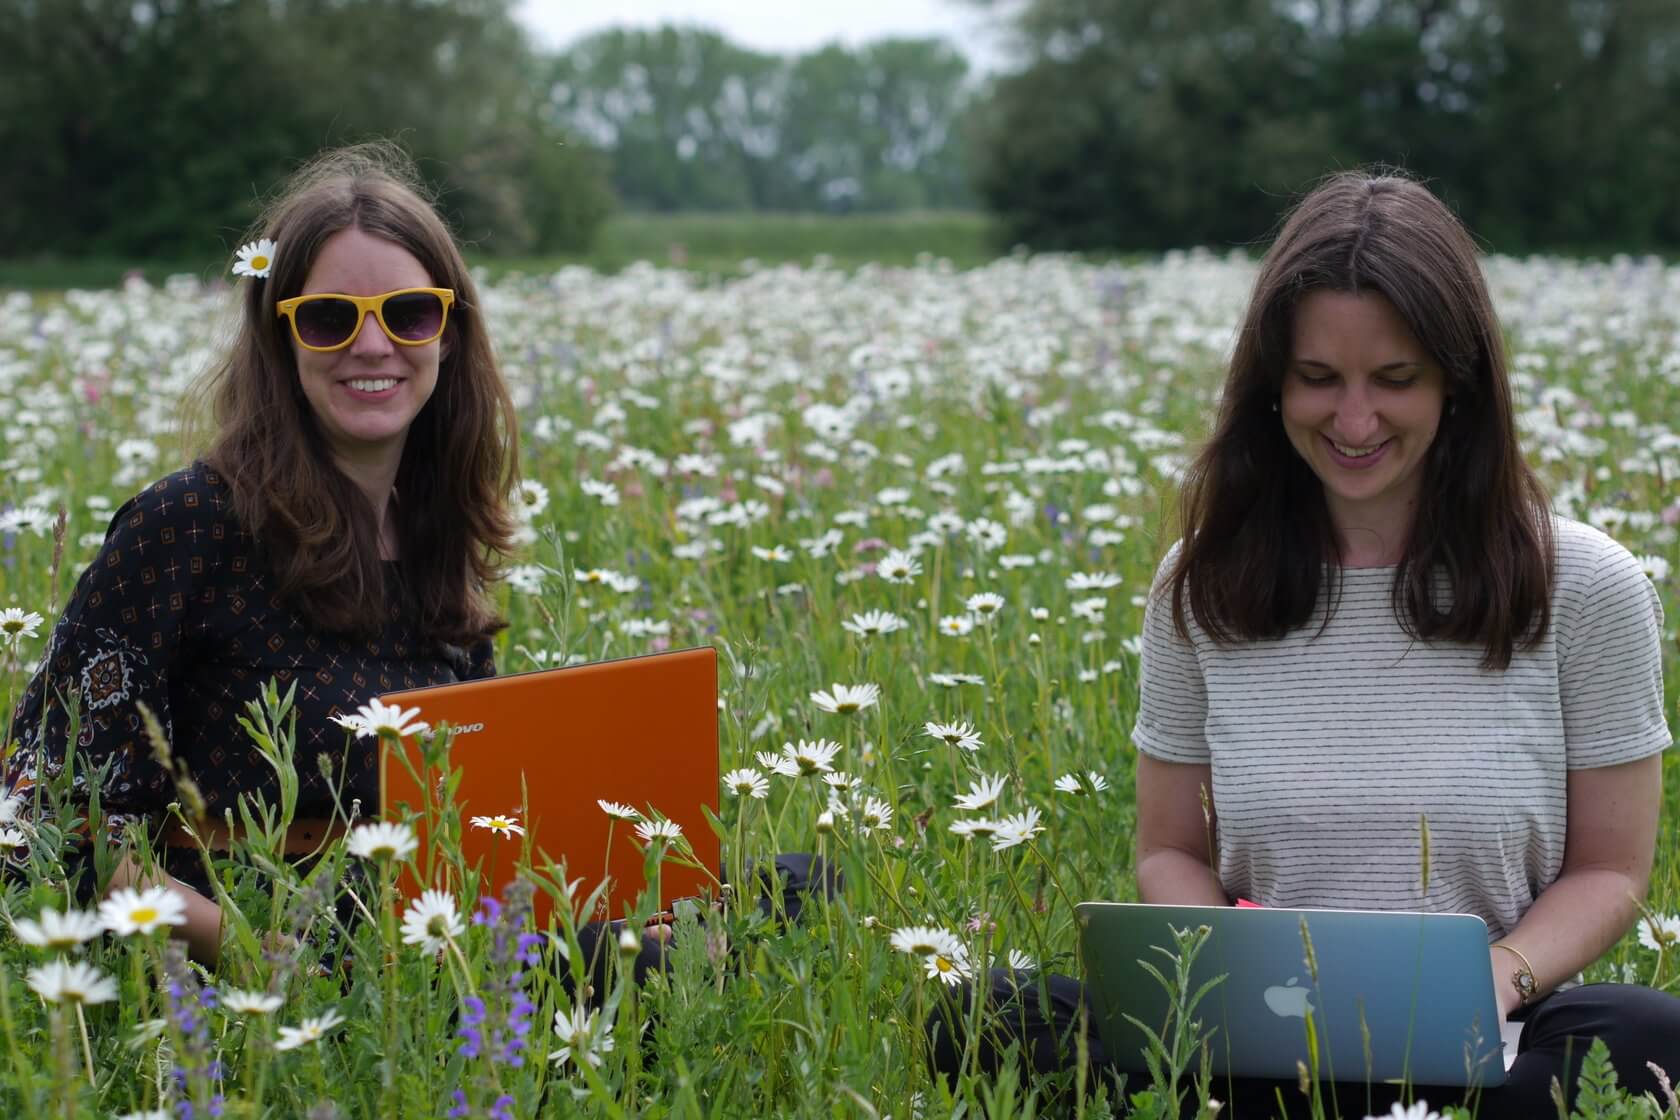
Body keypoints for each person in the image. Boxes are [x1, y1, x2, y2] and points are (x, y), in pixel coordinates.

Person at [931, 171, 1679, 1117]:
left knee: (1653, 1037)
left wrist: (1497, 976)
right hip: (1258, 1039)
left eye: (1395, 381)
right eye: (1319, 380)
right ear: (1271, 384)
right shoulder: (1201, 586)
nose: (1355, 421)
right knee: (990, 1016)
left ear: (1460, 381)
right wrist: (1236, 979)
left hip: (1492, 1038)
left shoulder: (1585, 584)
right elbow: (1168, 848)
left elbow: (1610, 870)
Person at [3, 143, 520, 966]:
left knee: (780, 891)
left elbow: (479, 811)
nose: (374, 344)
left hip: (433, 936)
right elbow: (47, 819)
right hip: (266, 952)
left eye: (410, 312)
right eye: (329, 318)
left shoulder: (439, 535)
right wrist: (259, 953)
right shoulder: (188, 526)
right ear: (280, 340)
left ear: (450, 335)